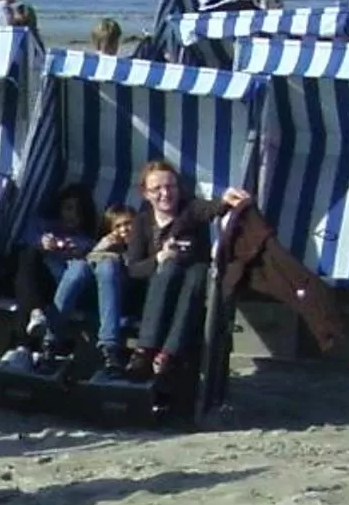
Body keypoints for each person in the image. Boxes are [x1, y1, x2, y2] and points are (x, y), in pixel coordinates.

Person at [120, 158, 249, 385]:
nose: (165, 193)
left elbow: (208, 209)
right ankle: (146, 349)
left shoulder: (189, 209)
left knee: (196, 272)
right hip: (154, 294)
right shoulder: (142, 222)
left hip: (190, 287)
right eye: (157, 189)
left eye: (170, 186)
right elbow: (133, 268)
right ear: (146, 194)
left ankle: (167, 354)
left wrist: (225, 201)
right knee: (169, 266)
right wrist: (159, 257)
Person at [15, 183, 107, 352]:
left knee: (79, 269)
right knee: (28, 254)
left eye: (78, 211)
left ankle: (31, 342)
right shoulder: (44, 227)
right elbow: (25, 238)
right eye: (68, 208)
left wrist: (80, 252)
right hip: (42, 286)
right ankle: (35, 314)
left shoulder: (86, 241)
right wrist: (41, 242)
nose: (72, 215)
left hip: (69, 288)